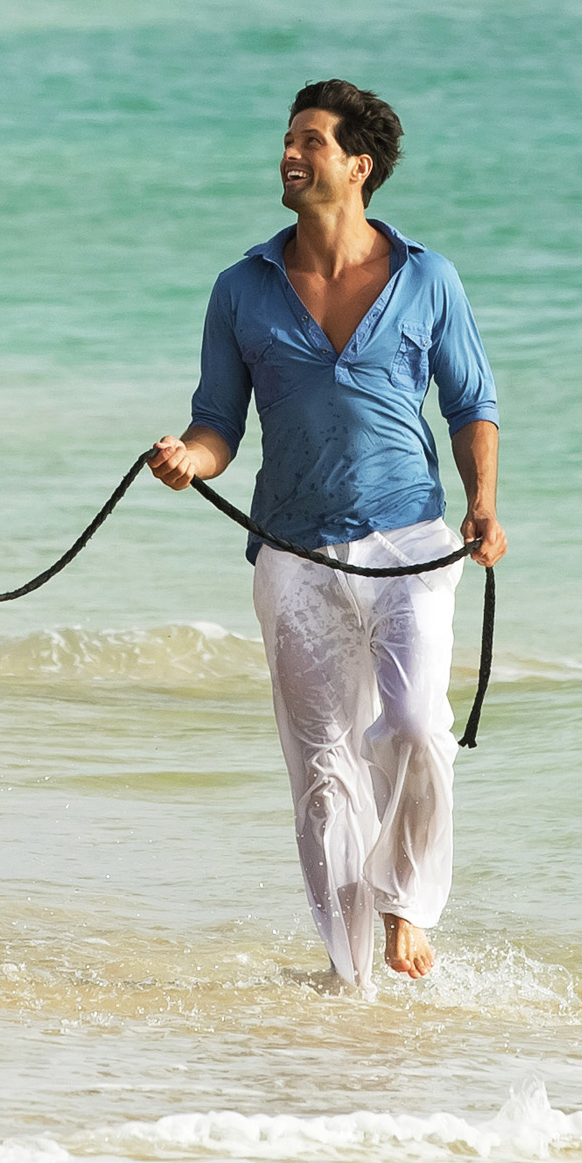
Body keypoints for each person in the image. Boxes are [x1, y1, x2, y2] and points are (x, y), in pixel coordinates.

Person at [147, 82, 504, 986]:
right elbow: (218, 421)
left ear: (358, 165)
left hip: (410, 544)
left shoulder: (428, 278)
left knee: (417, 728)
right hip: (292, 552)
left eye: (309, 140)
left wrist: (483, 503)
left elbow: (470, 404)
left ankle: (405, 906)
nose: (288, 154)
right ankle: (350, 979)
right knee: (320, 772)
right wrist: (191, 457)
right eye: (285, 139)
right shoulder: (242, 287)